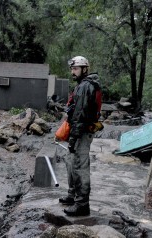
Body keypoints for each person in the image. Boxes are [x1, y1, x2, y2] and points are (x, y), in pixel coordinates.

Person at [59, 55, 102, 216]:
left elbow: (80, 115)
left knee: (80, 167)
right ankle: (73, 195)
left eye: (75, 69)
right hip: (78, 130)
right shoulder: (82, 85)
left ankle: (82, 204)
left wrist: (73, 137)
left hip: (81, 132)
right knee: (70, 161)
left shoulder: (86, 86)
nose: (72, 72)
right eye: (72, 69)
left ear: (85, 69)